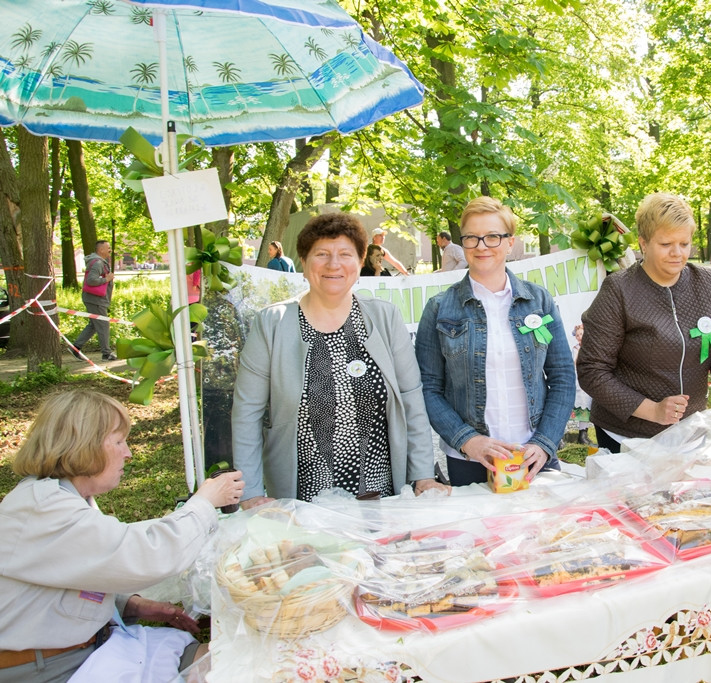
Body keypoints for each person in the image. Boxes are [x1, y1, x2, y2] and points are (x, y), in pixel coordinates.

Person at [0, 390, 244, 683]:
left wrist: (127, 605)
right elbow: (147, 555)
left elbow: (72, 576)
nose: (128, 452)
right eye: (118, 441)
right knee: (225, 671)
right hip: (56, 667)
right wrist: (204, 503)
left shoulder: (59, 498)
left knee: (229, 662)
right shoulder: (42, 508)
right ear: (83, 445)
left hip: (88, 647)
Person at [232, 213, 446, 507]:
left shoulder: (385, 317)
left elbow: (411, 398)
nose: (334, 264)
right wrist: (252, 493)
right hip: (303, 505)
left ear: (360, 264)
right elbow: (247, 414)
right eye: (322, 254)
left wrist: (422, 473)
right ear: (304, 263)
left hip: (381, 499)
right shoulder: (271, 323)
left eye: (345, 254)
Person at [576, 192, 711, 453]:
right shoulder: (619, 290)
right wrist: (653, 410)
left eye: (684, 244)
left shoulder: (710, 285)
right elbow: (592, 371)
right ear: (643, 243)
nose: (677, 254)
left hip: (689, 432)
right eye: (666, 244)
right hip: (626, 436)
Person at [415, 196, 575, 486]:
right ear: (463, 243)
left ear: (510, 242)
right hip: (471, 458)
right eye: (472, 238)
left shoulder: (539, 301)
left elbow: (562, 376)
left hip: (533, 453)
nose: (481, 246)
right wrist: (468, 441)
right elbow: (428, 388)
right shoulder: (439, 308)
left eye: (492, 237)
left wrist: (544, 442)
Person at [72, 240, 116, 361]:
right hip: (96, 300)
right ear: (101, 250)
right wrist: (106, 279)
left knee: (94, 325)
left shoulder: (100, 262)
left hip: (94, 299)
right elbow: (91, 280)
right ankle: (106, 353)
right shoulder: (98, 263)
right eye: (108, 248)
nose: (110, 250)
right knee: (103, 324)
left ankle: (75, 347)